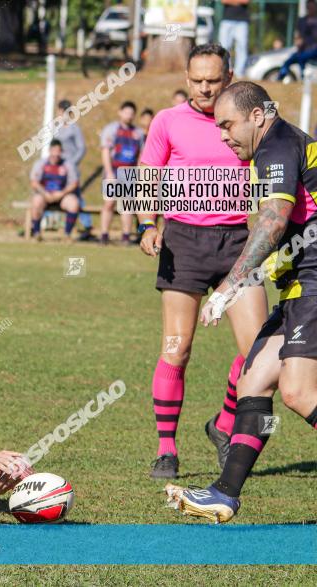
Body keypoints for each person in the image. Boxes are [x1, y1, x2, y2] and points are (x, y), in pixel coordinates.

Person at [167, 82, 317, 522]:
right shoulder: (279, 147)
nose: (223, 135)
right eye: (217, 127)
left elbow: (271, 223)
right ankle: (224, 493)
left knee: (298, 390)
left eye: (228, 124)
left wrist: (229, 286)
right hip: (298, 284)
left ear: (258, 116)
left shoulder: (276, 146)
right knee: (253, 383)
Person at [137, 44, 267, 480]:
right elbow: (146, 175)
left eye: (214, 79)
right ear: (187, 76)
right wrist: (146, 226)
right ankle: (167, 451)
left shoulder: (250, 119)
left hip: (238, 243)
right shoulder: (167, 121)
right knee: (177, 348)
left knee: (258, 352)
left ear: (230, 76)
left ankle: (223, 425)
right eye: (197, 80)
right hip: (184, 241)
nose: (205, 88)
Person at [99, 101, 144, 245]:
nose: (129, 116)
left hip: (129, 172)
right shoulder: (111, 129)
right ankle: (104, 235)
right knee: (109, 203)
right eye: (126, 112)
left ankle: (125, 236)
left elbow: (141, 155)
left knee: (127, 205)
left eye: (132, 113)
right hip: (113, 171)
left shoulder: (138, 133)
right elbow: (105, 151)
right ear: (120, 112)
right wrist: (109, 172)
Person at [54, 99, 92, 241]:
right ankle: (43, 223)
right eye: (62, 110)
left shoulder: (74, 128)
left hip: (70, 170)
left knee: (76, 196)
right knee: (53, 193)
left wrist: (72, 164)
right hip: (57, 169)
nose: (64, 113)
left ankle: (87, 225)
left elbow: (81, 148)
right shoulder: (55, 128)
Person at [29, 139, 80, 242]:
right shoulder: (41, 164)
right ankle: (36, 233)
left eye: (59, 151)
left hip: (61, 196)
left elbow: (74, 183)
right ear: (50, 150)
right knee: (36, 201)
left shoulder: (67, 165)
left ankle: (67, 235)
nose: (56, 154)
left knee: (74, 203)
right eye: (54, 150)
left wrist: (62, 193)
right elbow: (34, 182)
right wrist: (45, 193)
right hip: (45, 195)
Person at [278, 0, 317, 81]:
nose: (310, 9)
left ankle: (303, 78)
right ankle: (279, 78)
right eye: (309, 7)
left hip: (314, 49)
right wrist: (297, 41)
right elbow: (298, 34)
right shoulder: (302, 20)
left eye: (312, 7)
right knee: (287, 62)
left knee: (301, 57)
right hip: (303, 49)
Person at [218, 0, 249, 75]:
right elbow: (224, 1)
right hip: (227, 20)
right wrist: (238, 2)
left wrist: (232, 1)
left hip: (242, 21)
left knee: (242, 47)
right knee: (224, 47)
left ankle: (239, 72)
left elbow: (246, 1)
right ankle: (226, 70)